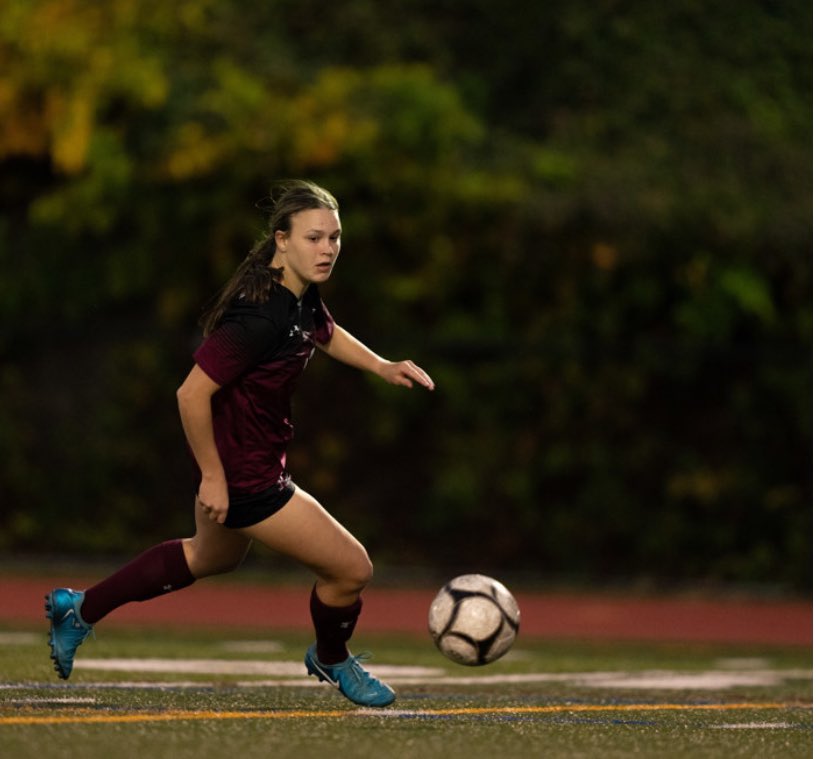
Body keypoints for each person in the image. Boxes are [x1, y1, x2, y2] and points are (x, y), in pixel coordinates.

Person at [45, 180, 435, 708]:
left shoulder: (298, 295)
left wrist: (383, 366)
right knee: (351, 570)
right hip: (246, 477)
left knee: (208, 556)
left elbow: (325, 331)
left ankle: (80, 608)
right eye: (315, 238)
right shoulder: (259, 317)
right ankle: (332, 657)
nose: (327, 249)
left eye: (335, 238)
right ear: (281, 240)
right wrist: (213, 476)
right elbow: (190, 394)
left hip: (242, 463)